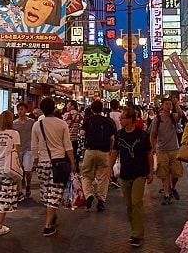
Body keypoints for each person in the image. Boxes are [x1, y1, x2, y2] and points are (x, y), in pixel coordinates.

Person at [30, 97, 76, 237]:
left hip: (43, 163)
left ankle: (52, 216)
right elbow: (67, 145)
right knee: (55, 193)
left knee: (46, 192)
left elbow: (34, 145)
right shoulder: (61, 124)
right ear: (54, 108)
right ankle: (48, 226)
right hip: (59, 162)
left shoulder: (37, 125)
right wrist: (72, 162)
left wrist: (36, 161)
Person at [109, 107, 154, 248]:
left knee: (136, 202)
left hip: (140, 173)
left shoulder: (142, 135)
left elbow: (149, 153)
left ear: (130, 119)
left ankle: (137, 234)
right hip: (125, 174)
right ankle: (134, 229)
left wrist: (151, 171)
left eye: (123, 118)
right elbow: (115, 152)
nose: (120, 120)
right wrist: (109, 168)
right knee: (129, 206)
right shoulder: (119, 135)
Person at [80, 100, 116, 212]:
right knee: (103, 177)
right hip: (104, 152)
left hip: (90, 151)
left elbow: (82, 133)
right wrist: (110, 150)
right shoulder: (108, 121)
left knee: (86, 174)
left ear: (91, 109)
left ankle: (89, 194)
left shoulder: (88, 120)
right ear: (102, 109)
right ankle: (101, 201)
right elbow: (112, 138)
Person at [149, 97, 183, 205]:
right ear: (162, 106)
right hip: (162, 150)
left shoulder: (173, 117)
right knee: (164, 173)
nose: (168, 106)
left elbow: (180, 114)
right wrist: (154, 147)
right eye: (166, 104)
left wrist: (176, 103)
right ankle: (167, 194)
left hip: (174, 149)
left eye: (170, 104)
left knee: (177, 173)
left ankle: (172, 187)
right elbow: (152, 135)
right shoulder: (157, 119)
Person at [13, 102, 35, 200]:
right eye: (18, 110)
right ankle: (20, 189)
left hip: (28, 149)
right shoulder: (14, 123)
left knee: (28, 170)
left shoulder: (32, 122)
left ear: (26, 110)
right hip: (18, 149)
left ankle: (28, 184)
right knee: (18, 170)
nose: (20, 111)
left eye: (22, 109)